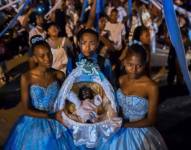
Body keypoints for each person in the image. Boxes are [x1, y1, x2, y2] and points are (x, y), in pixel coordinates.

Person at [4, 35, 74, 150]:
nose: (48, 58)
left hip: (58, 121)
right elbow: (26, 109)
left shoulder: (59, 75)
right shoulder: (26, 78)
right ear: (35, 58)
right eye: (42, 56)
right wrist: (51, 116)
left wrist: (67, 110)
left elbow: (66, 98)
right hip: (35, 122)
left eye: (49, 54)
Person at [97, 44, 167, 150]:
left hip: (139, 131)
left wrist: (125, 125)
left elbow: (151, 119)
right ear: (124, 62)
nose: (134, 70)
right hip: (116, 129)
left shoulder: (151, 87)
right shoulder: (120, 80)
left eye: (139, 66)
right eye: (130, 64)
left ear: (144, 64)